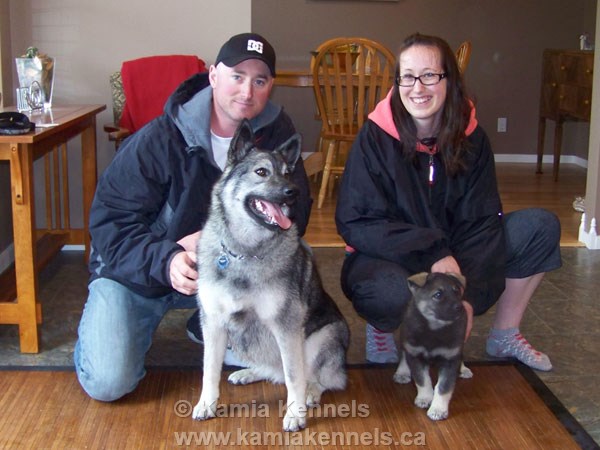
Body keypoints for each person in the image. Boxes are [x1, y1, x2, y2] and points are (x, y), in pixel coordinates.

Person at [75, 33, 312, 401]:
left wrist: (240, 244)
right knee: (108, 382)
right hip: (142, 271)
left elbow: (296, 215)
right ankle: (102, 329)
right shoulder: (159, 139)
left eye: (260, 80)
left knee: (290, 298)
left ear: (270, 87)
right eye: (237, 76)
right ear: (213, 76)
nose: (247, 91)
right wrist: (166, 257)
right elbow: (110, 222)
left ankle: (209, 325)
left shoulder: (278, 137)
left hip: (229, 275)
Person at [335, 33, 561, 371]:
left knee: (540, 227)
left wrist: (466, 300)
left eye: (430, 75)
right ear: (397, 82)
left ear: (449, 80)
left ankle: (504, 335)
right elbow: (356, 222)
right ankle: (382, 328)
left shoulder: (473, 139)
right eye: (408, 76)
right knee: (389, 292)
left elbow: (483, 221)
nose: (417, 87)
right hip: (390, 256)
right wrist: (434, 251)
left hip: (455, 255)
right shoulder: (374, 138)